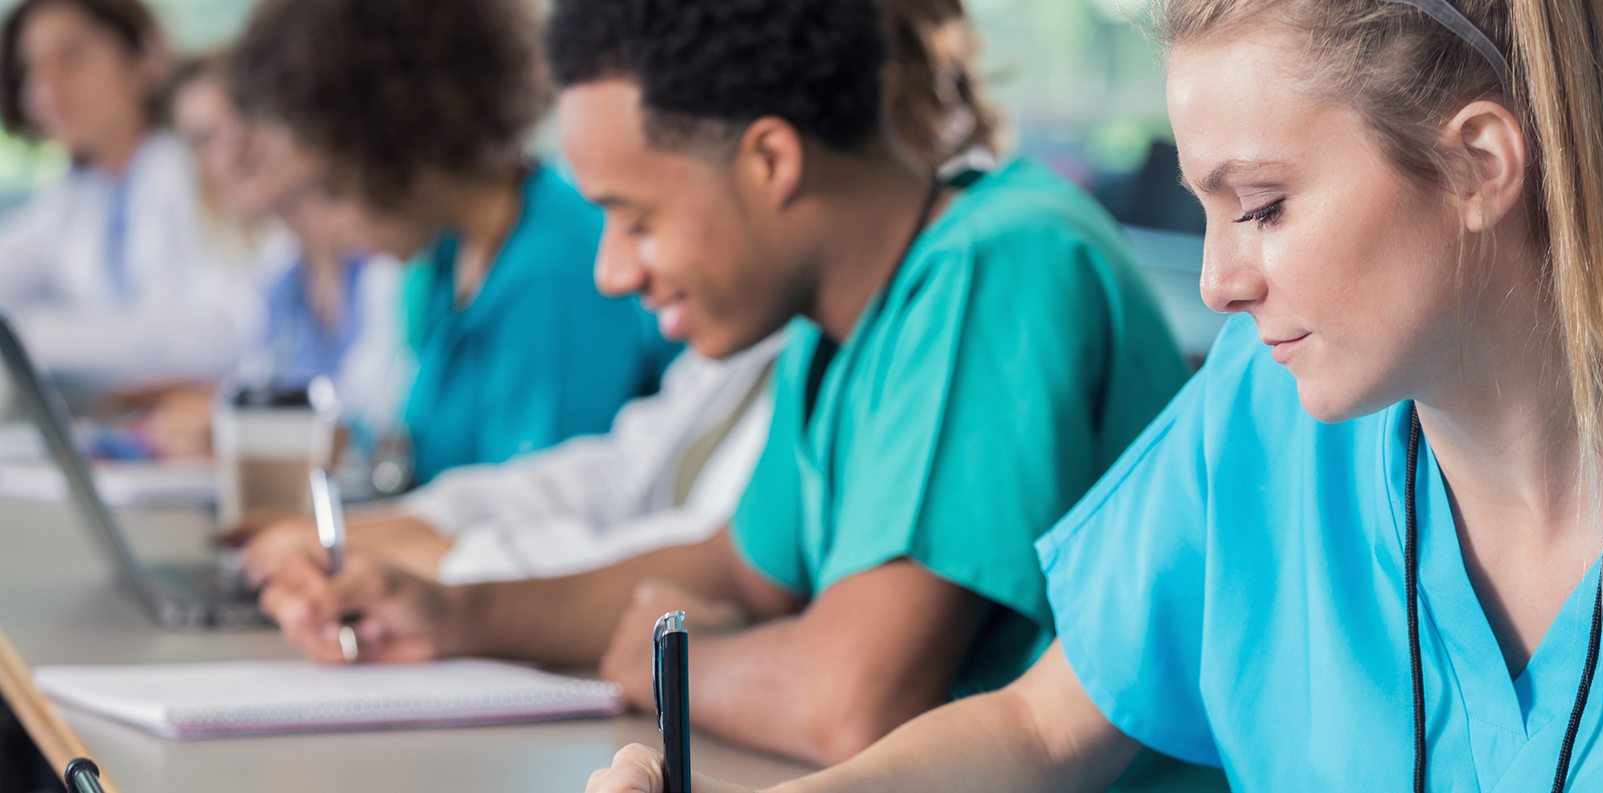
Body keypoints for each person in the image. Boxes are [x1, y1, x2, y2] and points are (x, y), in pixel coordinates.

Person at [582, 0, 1603, 790]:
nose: (1217, 281)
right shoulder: (1268, 413)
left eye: (1265, 204)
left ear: (1480, 164)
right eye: (1206, 207)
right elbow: (1039, 729)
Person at [253, 0, 1193, 775]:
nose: (612, 270)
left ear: (772, 161)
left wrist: (665, 662)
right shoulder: (836, 322)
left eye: (636, 217)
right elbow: (742, 566)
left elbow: (851, 699)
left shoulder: (1002, 264)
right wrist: (454, 613)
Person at [227, 0, 1020, 589]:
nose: (613, 273)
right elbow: (635, 478)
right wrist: (382, 540)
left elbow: (784, 633)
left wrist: (428, 569)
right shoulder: (798, 320)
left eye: (636, 218)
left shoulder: (986, 270)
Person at [226, 0, 681, 483]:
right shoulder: (444, 260)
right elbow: (425, 445)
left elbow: (536, 509)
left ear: (402, 152)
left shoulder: (558, 267)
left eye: (334, 191)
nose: (328, 226)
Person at [148, 53, 407, 459]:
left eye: (241, 115)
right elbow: (263, 392)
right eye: (204, 139)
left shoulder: (389, 252)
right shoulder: (278, 282)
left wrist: (256, 430)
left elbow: (383, 417)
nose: (233, 149)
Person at [0, 0, 258, 384]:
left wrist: (28, 336)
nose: (45, 88)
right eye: (31, 70)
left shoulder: (195, 168)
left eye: (71, 57)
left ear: (144, 58)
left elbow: (224, 331)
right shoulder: (76, 194)